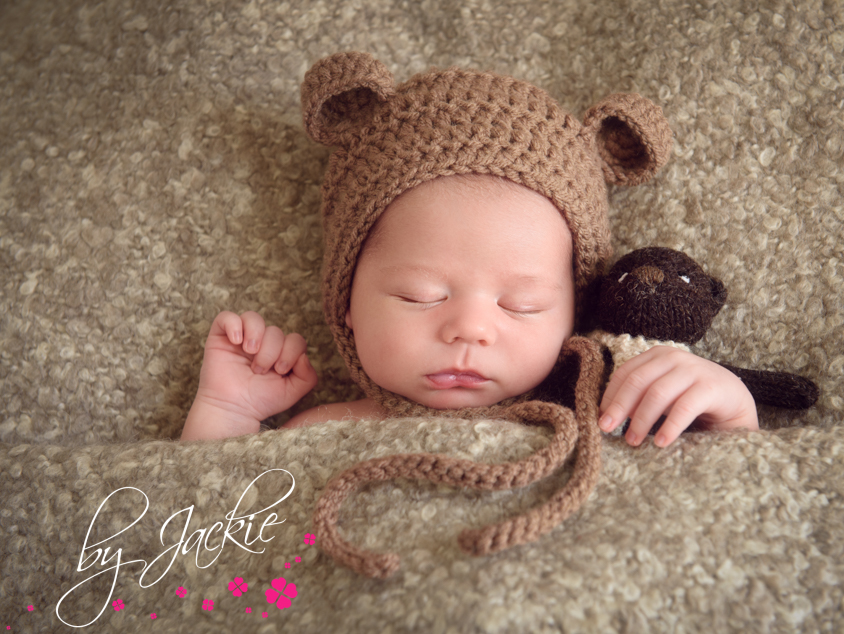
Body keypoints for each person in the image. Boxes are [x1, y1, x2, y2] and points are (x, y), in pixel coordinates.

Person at [180, 52, 758, 444]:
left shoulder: (607, 412)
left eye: (523, 304)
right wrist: (227, 416)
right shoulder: (321, 431)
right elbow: (214, 535)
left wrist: (730, 415)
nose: (469, 330)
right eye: (419, 295)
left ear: (574, 312)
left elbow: (717, 515)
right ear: (346, 302)